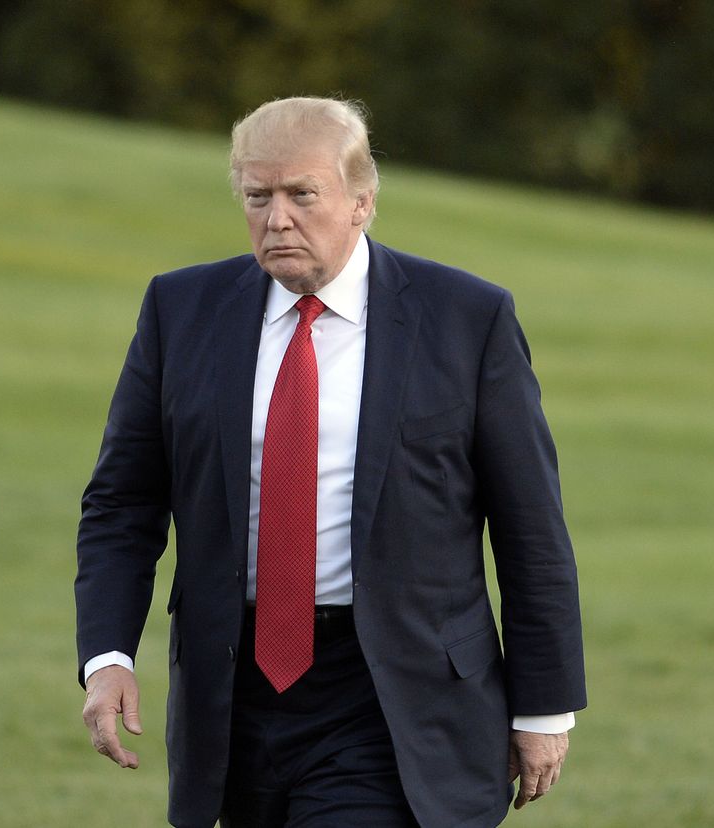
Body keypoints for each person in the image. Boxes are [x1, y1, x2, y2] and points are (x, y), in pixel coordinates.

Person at [75, 96, 586, 828]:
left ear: (361, 203)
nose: (277, 217)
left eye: (301, 195)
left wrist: (544, 705)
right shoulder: (180, 310)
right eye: (258, 196)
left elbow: (530, 528)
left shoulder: (465, 320)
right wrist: (108, 656)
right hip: (232, 693)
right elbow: (122, 504)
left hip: (392, 693)